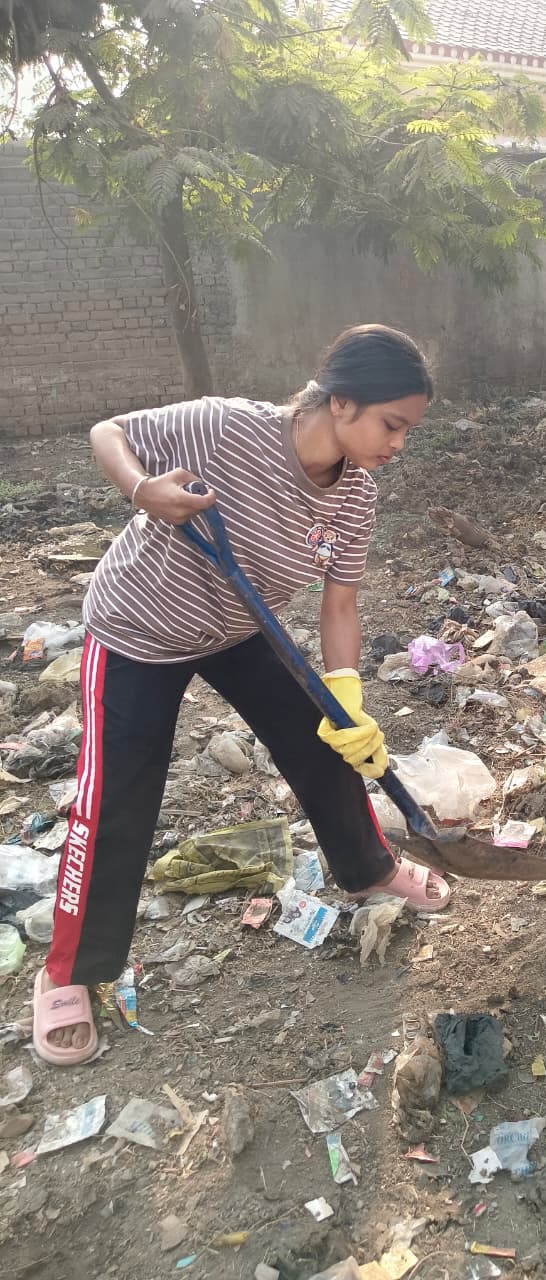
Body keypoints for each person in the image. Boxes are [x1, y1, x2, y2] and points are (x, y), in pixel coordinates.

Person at [33, 323, 448, 1066]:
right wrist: (142, 489)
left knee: (323, 741)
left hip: (235, 628)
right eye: (393, 424)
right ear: (342, 402)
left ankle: (370, 870)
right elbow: (109, 431)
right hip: (137, 630)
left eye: (408, 430)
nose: (399, 443)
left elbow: (340, 604)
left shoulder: (356, 496)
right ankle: (69, 970)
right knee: (116, 797)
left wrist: (346, 697)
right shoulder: (226, 427)